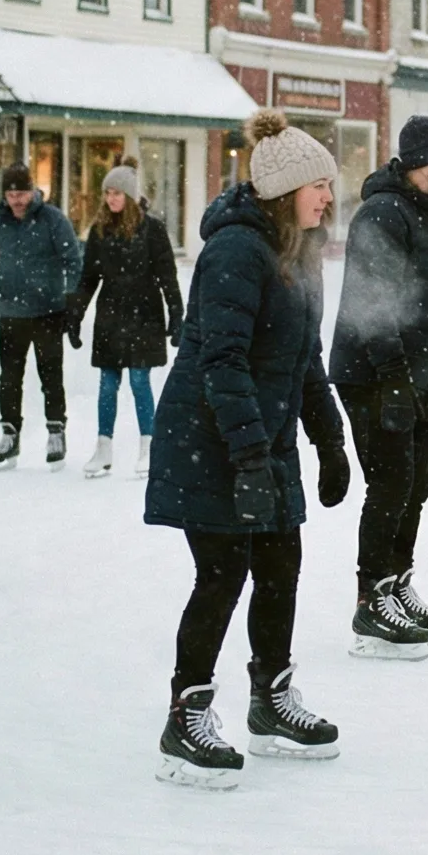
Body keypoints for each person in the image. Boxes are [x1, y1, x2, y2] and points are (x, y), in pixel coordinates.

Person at [146, 110, 353, 788]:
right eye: (318, 184)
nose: (328, 195)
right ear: (286, 188)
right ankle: (188, 715)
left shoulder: (299, 253)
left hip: (261, 439)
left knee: (280, 564)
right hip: (212, 441)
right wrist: (249, 459)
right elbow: (223, 363)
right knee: (222, 573)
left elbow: (305, 359)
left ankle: (270, 699)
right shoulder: (236, 250)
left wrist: (330, 440)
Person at [328, 114, 428, 659]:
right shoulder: (382, 215)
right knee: (391, 485)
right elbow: (371, 305)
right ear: (425, 161)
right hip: (370, 373)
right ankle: (371, 601)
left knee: (416, 483)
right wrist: (392, 378)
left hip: (408, 375)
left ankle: (396, 583)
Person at [0, 165, 83, 470]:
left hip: (48, 312)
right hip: (12, 313)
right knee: (9, 379)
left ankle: (56, 432)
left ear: (32, 191)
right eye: (11, 194)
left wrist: (72, 304)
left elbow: (73, 261)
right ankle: (9, 435)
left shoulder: (52, 219)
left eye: (22, 193)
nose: (16, 200)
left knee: (50, 376)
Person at [70, 165, 184, 480]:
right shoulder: (100, 230)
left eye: (117, 193)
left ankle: (149, 444)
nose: (110, 199)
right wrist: (76, 315)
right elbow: (88, 277)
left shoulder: (152, 230)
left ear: (131, 196)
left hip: (144, 313)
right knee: (108, 383)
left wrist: (177, 315)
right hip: (110, 315)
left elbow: (167, 276)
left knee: (138, 380)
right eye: (107, 193)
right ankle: (103, 446)